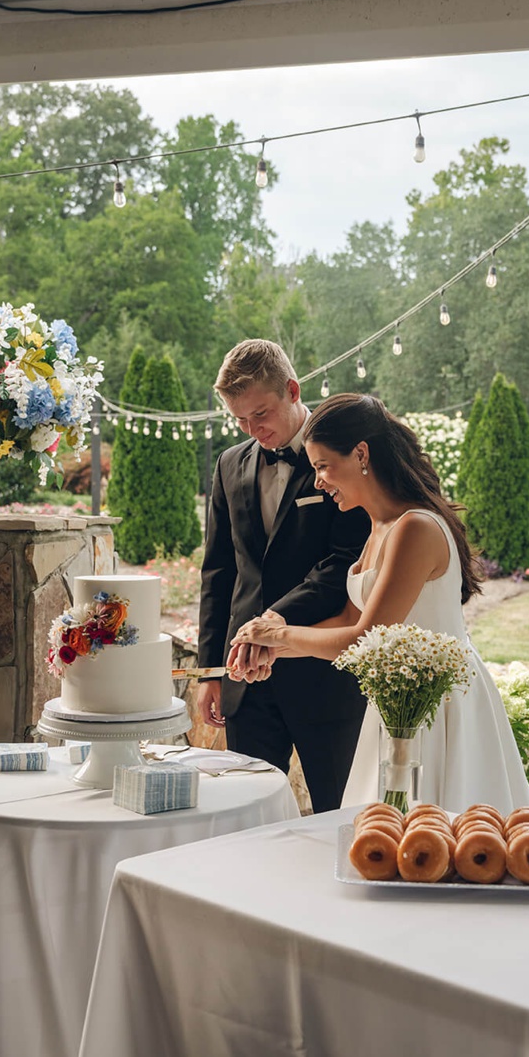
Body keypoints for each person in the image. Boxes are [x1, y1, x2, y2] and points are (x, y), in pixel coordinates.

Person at [232, 392, 529, 811]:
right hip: (395, 699)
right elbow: (346, 618)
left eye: (323, 466)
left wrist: (279, 632)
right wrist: (274, 648)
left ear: (361, 454)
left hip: (439, 705)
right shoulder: (377, 528)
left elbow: (363, 640)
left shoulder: (415, 528)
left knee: (446, 835)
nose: (318, 480)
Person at [194, 341, 370, 812]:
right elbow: (219, 570)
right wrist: (211, 669)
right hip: (245, 679)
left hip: (324, 675)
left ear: (293, 391)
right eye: (240, 421)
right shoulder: (229, 464)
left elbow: (343, 562)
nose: (254, 430)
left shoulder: (339, 457)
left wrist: (273, 622)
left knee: (340, 814)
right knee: (244, 815)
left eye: (262, 414)